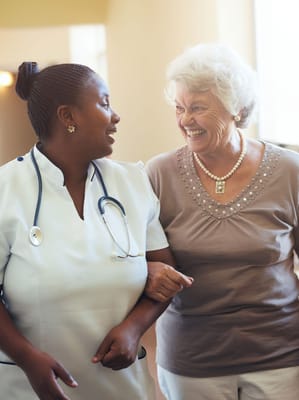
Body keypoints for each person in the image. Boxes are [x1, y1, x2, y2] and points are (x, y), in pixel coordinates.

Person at [0, 61, 193, 400]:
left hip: (124, 386)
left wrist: (133, 329)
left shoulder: (131, 181)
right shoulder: (6, 190)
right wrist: (27, 358)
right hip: (32, 388)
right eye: (104, 103)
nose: (115, 116)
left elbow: (167, 276)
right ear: (68, 117)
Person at [145, 43, 299, 400]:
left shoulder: (289, 171)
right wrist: (150, 270)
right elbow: (137, 256)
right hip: (193, 360)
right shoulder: (158, 174)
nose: (185, 121)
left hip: (281, 356)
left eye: (198, 108)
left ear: (237, 109)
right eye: (179, 108)